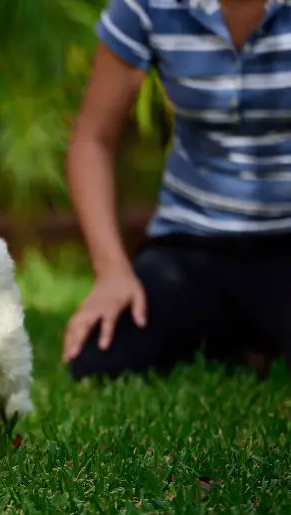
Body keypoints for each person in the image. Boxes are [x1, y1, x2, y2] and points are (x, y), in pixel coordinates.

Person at [64, 0, 291, 381]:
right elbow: (92, 141)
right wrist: (111, 271)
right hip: (190, 243)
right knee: (99, 360)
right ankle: (240, 342)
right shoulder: (147, 6)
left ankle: (244, 341)